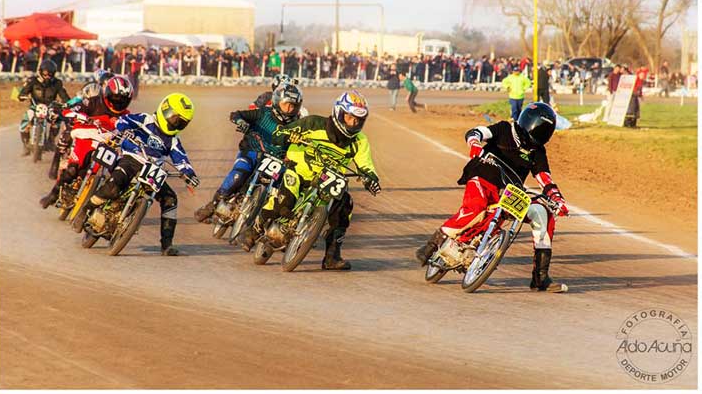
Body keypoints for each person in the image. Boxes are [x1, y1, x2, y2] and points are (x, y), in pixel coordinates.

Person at [415, 102, 569, 292]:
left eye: (544, 132)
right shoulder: (504, 129)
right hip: (483, 176)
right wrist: (474, 145)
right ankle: (433, 243)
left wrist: (557, 198)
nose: (538, 134)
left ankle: (540, 278)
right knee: (476, 208)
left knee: (543, 213)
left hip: (509, 193)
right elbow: (476, 133)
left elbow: (545, 179)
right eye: (538, 129)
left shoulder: (538, 152)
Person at [238, 90, 381, 270]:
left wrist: (371, 179)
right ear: (338, 112)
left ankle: (332, 257)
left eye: (359, 120)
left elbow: (366, 165)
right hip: (300, 170)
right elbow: (278, 134)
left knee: (345, 205)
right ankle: (254, 230)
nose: (354, 123)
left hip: (328, 182)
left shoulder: (360, 141)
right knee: (287, 195)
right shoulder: (313, 123)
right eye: (350, 118)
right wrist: (289, 135)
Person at [73, 93, 200, 256]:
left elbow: (181, 159)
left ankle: (167, 245)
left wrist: (189, 174)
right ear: (165, 110)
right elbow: (123, 121)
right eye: (176, 118)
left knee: (171, 199)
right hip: (132, 159)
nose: (177, 124)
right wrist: (125, 131)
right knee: (114, 185)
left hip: (154, 170)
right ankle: (86, 210)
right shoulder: (145, 119)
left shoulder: (173, 140)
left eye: (182, 122)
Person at [194, 82, 304, 223]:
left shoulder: (298, 124)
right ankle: (212, 205)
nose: (289, 109)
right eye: (286, 104)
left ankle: (260, 226)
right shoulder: (263, 113)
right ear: (277, 102)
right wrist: (241, 122)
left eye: (293, 106)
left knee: (279, 192)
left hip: (277, 161)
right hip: (252, 151)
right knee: (239, 174)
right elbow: (237, 114)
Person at [39, 75, 134, 209]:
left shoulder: (127, 115)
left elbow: (134, 128)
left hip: (107, 143)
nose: (119, 102)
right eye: (116, 98)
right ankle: (53, 194)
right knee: (73, 169)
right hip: (85, 136)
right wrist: (73, 114)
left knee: (114, 173)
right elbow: (72, 109)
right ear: (107, 94)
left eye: (123, 100)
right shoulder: (93, 102)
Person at [17, 59, 71, 156]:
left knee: (57, 119)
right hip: (34, 107)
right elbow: (22, 93)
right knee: (25, 120)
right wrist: (22, 96)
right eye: (45, 74)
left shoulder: (57, 83)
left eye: (50, 75)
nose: (47, 77)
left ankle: (51, 141)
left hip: (50, 107)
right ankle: (26, 146)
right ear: (40, 72)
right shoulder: (32, 81)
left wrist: (67, 103)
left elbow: (64, 96)